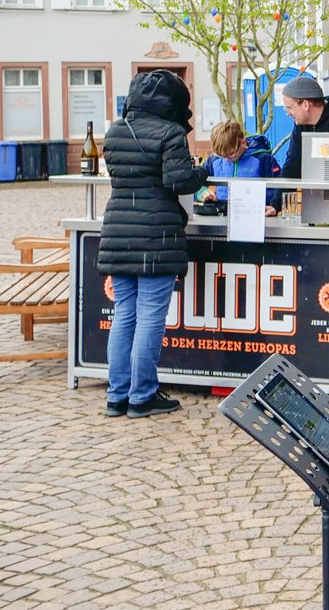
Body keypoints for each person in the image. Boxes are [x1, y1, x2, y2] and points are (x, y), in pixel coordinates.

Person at [98, 70, 210, 418]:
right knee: (149, 317)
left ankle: (117, 395)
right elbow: (178, 181)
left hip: (117, 230)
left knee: (123, 316)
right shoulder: (171, 132)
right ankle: (143, 395)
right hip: (157, 235)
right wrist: (204, 172)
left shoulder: (115, 131)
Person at [277, 74, 329, 180]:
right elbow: (292, 165)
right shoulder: (301, 125)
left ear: (306, 105)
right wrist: (277, 196)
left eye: (289, 108)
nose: (288, 113)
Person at [199, 119, 282, 216]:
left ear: (243, 142)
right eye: (221, 155)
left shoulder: (263, 160)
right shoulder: (214, 161)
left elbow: (279, 187)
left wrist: (273, 206)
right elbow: (195, 181)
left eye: (230, 154)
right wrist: (203, 193)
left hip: (256, 217)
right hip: (222, 217)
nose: (226, 159)